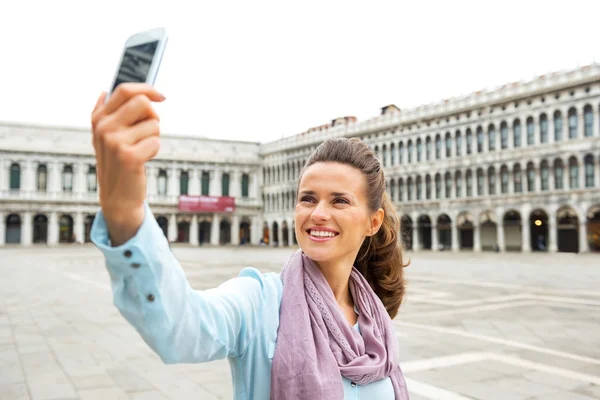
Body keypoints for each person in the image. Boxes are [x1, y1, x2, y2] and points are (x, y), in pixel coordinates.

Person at [89, 83, 410, 399]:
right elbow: (180, 328)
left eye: (339, 201)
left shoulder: (375, 319)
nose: (318, 213)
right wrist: (125, 209)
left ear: (373, 222)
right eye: (308, 199)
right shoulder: (260, 302)